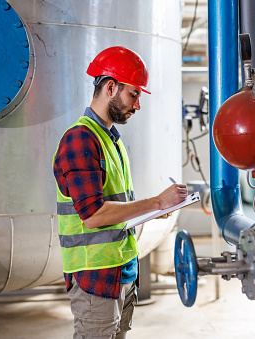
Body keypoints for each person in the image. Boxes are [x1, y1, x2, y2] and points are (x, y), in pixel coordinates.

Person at [53, 46, 188, 338]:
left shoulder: (110, 139)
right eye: (134, 94)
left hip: (122, 269)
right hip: (95, 275)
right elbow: (93, 216)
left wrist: (155, 211)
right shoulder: (80, 139)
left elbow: (117, 208)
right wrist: (157, 201)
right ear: (111, 87)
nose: (137, 105)